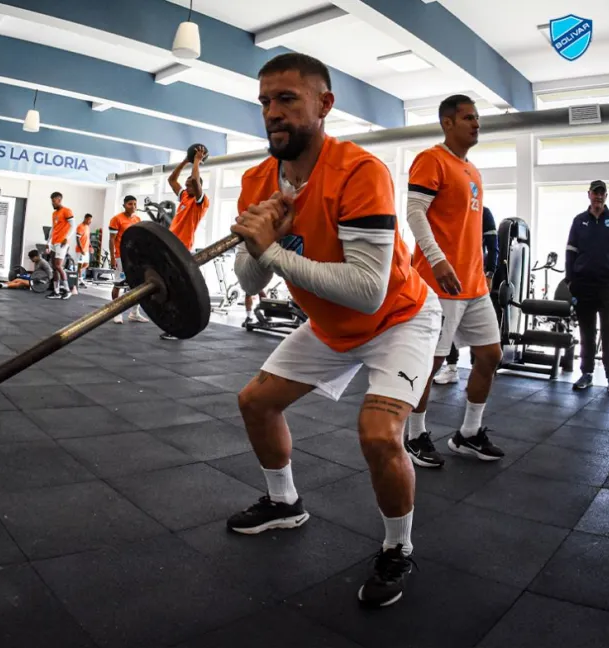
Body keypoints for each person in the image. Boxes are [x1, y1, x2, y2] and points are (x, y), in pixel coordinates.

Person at [226, 53, 441, 608]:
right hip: (329, 324)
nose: (273, 112)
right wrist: (264, 241)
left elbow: (368, 290)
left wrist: (271, 249)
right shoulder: (256, 180)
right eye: (265, 102)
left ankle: (398, 546)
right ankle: (284, 503)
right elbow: (250, 278)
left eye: (287, 99)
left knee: (379, 434)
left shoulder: (359, 172)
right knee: (255, 402)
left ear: (324, 104)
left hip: (399, 318)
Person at [404, 94, 504, 469]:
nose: (476, 123)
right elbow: (414, 212)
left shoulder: (472, 171)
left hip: (474, 286)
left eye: (477, 118)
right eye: (468, 118)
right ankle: (414, 435)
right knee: (428, 364)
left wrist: (484, 274)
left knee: (491, 355)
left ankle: (468, 433)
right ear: (448, 123)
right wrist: (437, 259)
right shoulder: (432, 159)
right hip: (439, 284)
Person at [433, 205, 499, 384]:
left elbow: (493, 247)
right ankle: (452, 368)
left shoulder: (484, 213)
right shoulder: (450, 212)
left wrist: (490, 274)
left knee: (481, 338)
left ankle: (475, 368)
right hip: (448, 278)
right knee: (448, 327)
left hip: (474, 279)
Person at [567, 180, 609, 391]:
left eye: (602, 193)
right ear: (589, 195)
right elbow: (570, 251)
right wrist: (570, 281)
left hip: (608, 285)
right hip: (583, 284)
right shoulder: (579, 221)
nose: (598, 196)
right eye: (595, 193)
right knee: (587, 332)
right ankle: (587, 373)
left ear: (606, 196)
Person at [162, 145, 211, 340]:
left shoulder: (201, 202)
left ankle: (180, 325)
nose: (186, 185)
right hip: (170, 244)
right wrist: (185, 160)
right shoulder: (184, 197)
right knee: (168, 285)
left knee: (177, 289)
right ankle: (173, 323)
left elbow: (197, 182)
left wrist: (197, 161)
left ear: (197, 186)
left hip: (182, 248)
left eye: (189, 183)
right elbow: (171, 180)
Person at [109, 195, 148, 324]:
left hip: (134, 257)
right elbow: (112, 240)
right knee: (119, 284)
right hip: (120, 256)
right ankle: (116, 313)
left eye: (135, 204)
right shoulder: (116, 219)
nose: (133, 206)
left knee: (137, 285)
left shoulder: (137, 219)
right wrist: (112, 257)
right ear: (124, 205)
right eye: (130, 204)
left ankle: (134, 313)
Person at [46, 192, 73, 300]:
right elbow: (53, 228)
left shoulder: (67, 211)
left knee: (58, 266)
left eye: (54, 201)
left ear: (59, 200)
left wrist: (66, 238)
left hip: (62, 242)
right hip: (54, 242)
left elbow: (73, 226)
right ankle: (56, 292)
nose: (52, 203)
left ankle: (67, 290)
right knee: (54, 267)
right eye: (51, 201)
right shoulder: (54, 214)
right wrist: (48, 242)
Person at [75, 214, 92, 289]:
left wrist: (90, 246)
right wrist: (81, 249)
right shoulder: (80, 226)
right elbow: (77, 239)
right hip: (80, 250)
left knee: (86, 264)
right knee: (80, 265)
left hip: (86, 250)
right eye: (89, 220)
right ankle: (79, 280)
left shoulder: (87, 227)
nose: (90, 221)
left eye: (90, 220)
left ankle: (77, 275)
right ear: (85, 219)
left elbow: (88, 238)